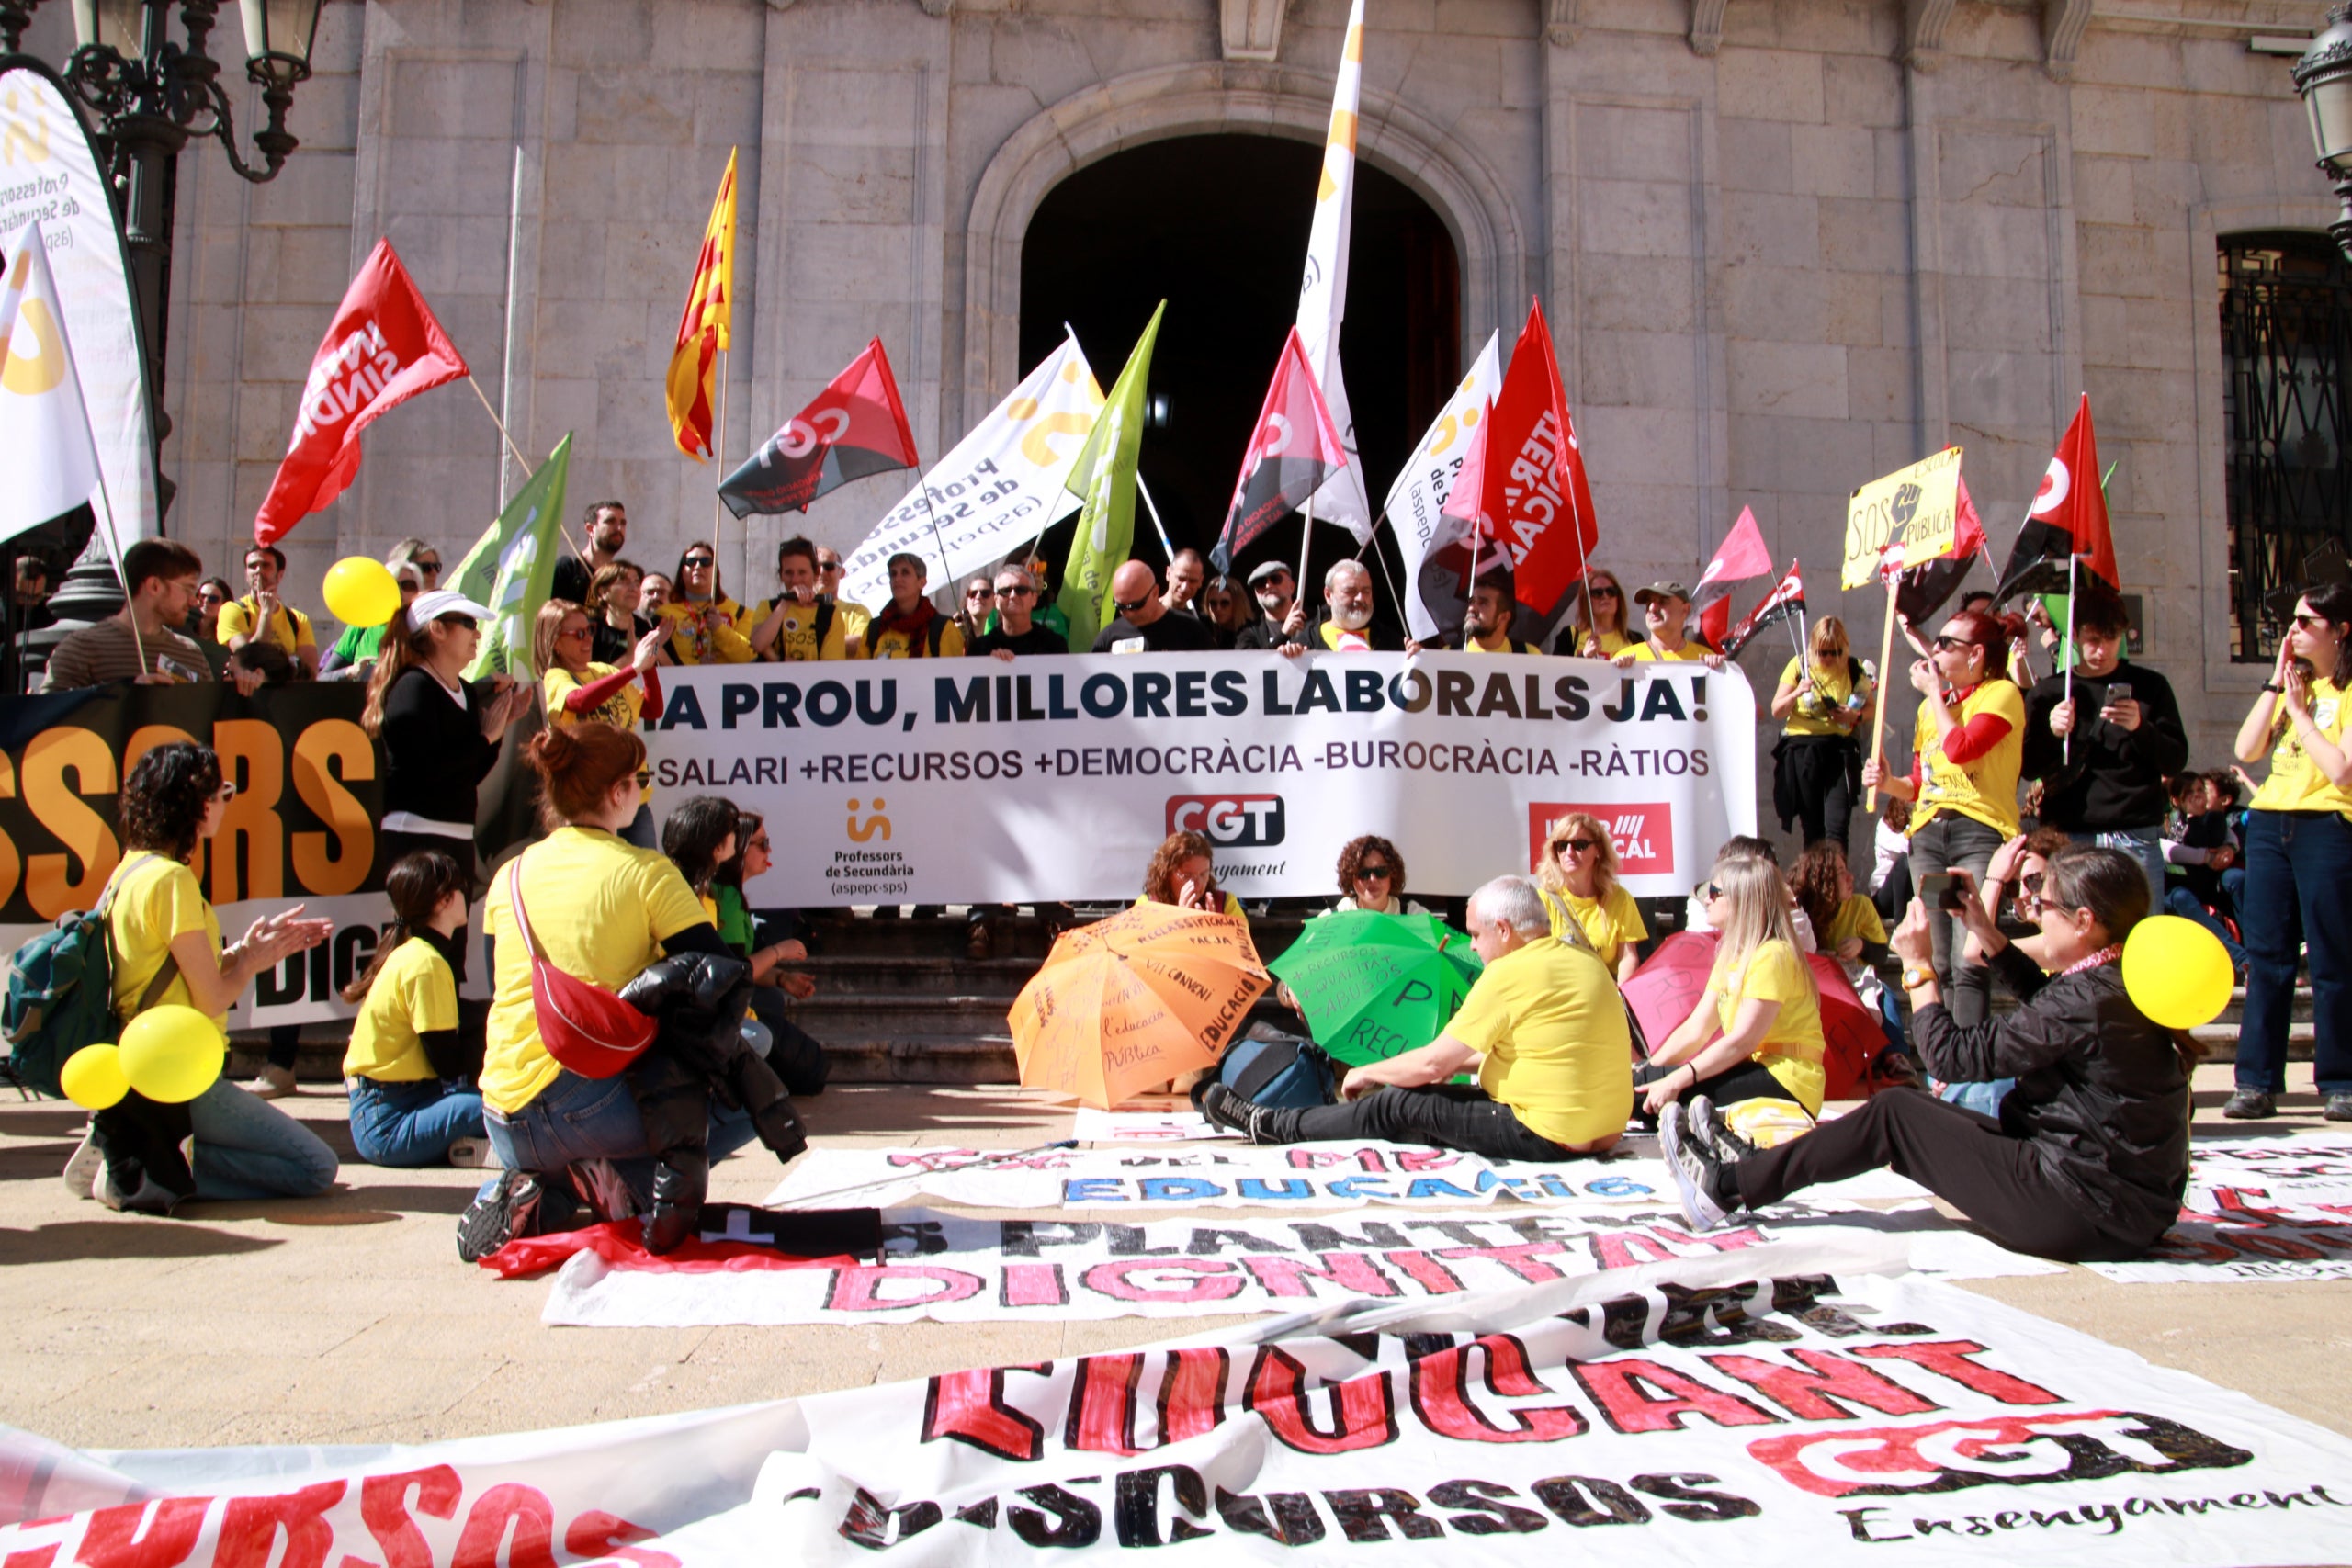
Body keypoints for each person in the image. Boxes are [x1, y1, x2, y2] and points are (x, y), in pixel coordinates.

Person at [1662, 847, 2195, 1264]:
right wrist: (1985, 931)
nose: (2030, 911)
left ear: (2083, 921)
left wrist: (1917, 968)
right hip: (2125, 1205)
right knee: (1927, 1115)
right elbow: (2046, 997)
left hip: (2084, 1209)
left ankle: (1727, 1188)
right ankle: (1759, 1167)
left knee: (1898, 1113)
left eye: (2042, 902)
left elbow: (1947, 1058)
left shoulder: (2084, 1000)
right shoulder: (2118, 979)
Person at [460, 723, 773, 1258]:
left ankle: (544, 1186)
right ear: (617, 792)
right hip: (589, 1103)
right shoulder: (646, 871)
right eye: (641, 780)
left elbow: (500, 991)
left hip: (502, 1111)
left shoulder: (508, 874)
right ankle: (625, 1180)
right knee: (758, 1049)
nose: (645, 792)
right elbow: (726, 980)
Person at [65, 742, 337, 1211]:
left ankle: (127, 1142)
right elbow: (210, 998)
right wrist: (250, 963)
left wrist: (243, 952)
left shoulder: (129, 869)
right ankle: (136, 1164)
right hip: (179, 1075)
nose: (228, 802)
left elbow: (160, 969)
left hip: (149, 1068)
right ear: (197, 803)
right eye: (224, 792)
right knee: (316, 1167)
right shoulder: (172, 881)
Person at [1201, 875, 1632, 1158]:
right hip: (1602, 1128)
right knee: (1422, 1108)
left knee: (1395, 1104)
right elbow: (1526, 1054)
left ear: (1504, 930)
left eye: (1478, 936)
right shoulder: (1583, 961)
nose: (1475, 948)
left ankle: (1272, 1124)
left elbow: (1433, 1064)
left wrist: (1368, 1072)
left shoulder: (1509, 971)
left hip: (1548, 1133)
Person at [1860, 607, 2024, 1027]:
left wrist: (1934, 693)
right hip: (1929, 834)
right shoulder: (1929, 711)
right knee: (1941, 955)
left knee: (1970, 953)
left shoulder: (2001, 694)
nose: (1936, 650)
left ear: (1976, 655)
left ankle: (1970, 1066)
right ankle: (1951, 1061)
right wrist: (1886, 780)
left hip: (1978, 832)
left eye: (1947, 643)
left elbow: (1962, 749)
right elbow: (1920, 783)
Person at [2226, 583, 2352, 1121]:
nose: (2293, 630)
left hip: (2327, 825)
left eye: (2305, 622)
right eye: (2293, 621)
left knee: (2332, 957)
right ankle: (2256, 1081)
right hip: (2271, 825)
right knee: (2268, 958)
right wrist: (2278, 684)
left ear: (2341, 630)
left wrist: (2301, 713)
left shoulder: (2345, 692)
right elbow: (2246, 748)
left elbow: (2343, 770)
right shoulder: (2290, 684)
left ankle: (2341, 1080)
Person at [2021, 584, 2187, 897]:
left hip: (2133, 832)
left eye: (2110, 639)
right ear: (2075, 635)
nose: (2101, 651)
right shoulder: (2051, 692)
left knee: (2137, 934)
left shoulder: (2150, 687)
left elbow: (2175, 759)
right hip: (2069, 831)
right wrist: (2052, 732)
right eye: (2093, 640)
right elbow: (2028, 767)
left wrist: (2140, 727)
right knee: (2074, 930)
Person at [1639, 853, 1828, 1122]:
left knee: (1651, 1102)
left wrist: (1675, 1079)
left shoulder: (1773, 955)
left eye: (1716, 892)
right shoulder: (1733, 954)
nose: (1707, 899)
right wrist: (1649, 1068)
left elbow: (1742, 1040)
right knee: (1638, 1087)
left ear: (1744, 899)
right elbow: (1696, 1029)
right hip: (1758, 1067)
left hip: (1789, 1081)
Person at [364, 589, 535, 885]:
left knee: (453, 931)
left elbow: (469, 773)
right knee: (421, 932)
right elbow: (428, 770)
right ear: (437, 629)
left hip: (458, 836)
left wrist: (498, 731)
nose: (478, 635)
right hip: (416, 837)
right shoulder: (412, 687)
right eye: (469, 623)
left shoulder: (465, 691)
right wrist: (485, 738)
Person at [340, 850, 490, 1168]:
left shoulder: (411, 954)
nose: (466, 895)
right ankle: (494, 1149)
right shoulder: (425, 963)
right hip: (388, 1121)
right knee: (504, 1104)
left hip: (392, 1106)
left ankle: (471, 1147)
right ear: (442, 901)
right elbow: (448, 1065)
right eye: (460, 888)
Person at [710, 810, 827, 1096]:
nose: (769, 851)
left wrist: (781, 977)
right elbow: (735, 972)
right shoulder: (725, 898)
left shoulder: (731, 894)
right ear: (737, 849)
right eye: (761, 843)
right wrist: (779, 951)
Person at [537, 600, 668, 846]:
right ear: (555, 643)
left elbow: (652, 709)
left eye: (590, 631)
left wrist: (647, 665)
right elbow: (578, 701)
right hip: (591, 804)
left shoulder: (602, 671)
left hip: (632, 800)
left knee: (641, 876)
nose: (588, 639)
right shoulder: (556, 677)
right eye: (578, 634)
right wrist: (633, 669)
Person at [42, 539, 243, 692]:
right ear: (154, 586)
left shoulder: (191, 655)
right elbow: (49, 719)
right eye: (188, 589)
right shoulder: (80, 649)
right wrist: (123, 692)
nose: (194, 601)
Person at [1770, 616, 1872, 855]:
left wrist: (1853, 716)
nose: (1827, 658)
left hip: (1838, 749)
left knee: (1837, 827)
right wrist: (1797, 692)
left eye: (1834, 653)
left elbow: (1872, 710)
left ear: (1844, 648)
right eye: (1822, 652)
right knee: (1813, 829)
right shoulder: (1799, 665)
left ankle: (1836, 885)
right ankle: (1814, 887)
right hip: (1803, 749)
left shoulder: (1854, 668)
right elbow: (1776, 710)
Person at [1532, 811, 1647, 983]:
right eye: (1562, 846)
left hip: (1604, 996)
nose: (1569, 852)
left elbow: (1628, 958)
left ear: (1598, 850)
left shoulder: (1620, 899)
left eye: (1579, 845)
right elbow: (1535, 961)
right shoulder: (1542, 900)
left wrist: (1619, 998)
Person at [2161, 773, 2245, 976]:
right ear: (2176, 800)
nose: (2197, 795)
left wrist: (2229, 849)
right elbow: (2169, 850)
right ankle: (2241, 959)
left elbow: (2229, 839)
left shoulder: (2213, 819)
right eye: (2189, 792)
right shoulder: (2168, 822)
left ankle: (2257, 950)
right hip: (2178, 888)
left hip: (2208, 884)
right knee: (2182, 898)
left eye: (2200, 790)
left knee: (2236, 879)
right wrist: (2205, 856)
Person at [218, 543, 319, 677]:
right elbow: (250, 659)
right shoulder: (233, 610)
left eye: (265, 565)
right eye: (252, 566)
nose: (258, 571)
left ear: (280, 575)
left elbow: (310, 670)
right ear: (246, 574)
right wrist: (266, 613)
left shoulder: (297, 619)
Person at [747, 538, 852, 661]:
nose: (795, 580)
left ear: (816, 573)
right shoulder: (768, 607)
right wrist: (785, 604)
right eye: (788, 573)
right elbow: (758, 644)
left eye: (802, 572)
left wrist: (776, 658)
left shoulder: (831, 614)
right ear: (781, 575)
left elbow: (831, 668)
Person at [320, 557, 423, 679]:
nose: (398, 591)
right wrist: (351, 671)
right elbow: (323, 677)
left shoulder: (426, 627)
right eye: (391, 584)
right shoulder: (363, 622)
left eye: (408, 585)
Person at [1295, 559, 1419, 654]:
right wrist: (1288, 657)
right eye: (1350, 591)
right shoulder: (1305, 642)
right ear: (1328, 595)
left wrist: (1421, 660)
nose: (1360, 598)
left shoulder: (1393, 642)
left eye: (1366, 591)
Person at [660, 544, 754, 665]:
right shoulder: (664, 614)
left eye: (706, 561)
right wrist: (696, 664)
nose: (698, 566)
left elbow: (750, 657)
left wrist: (720, 630)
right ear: (682, 572)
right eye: (691, 561)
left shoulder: (741, 613)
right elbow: (657, 655)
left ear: (716, 572)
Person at [864, 552, 966, 658]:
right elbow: (860, 672)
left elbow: (951, 672)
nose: (897, 579)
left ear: (922, 582)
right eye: (893, 574)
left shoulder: (944, 629)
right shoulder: (874, 629)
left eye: (905, 573)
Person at [1093, 561, 1210, 652]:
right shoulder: (1109, 636)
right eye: (1120, 605)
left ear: (1155, 593)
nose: (1127, 612)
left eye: (1135, 606)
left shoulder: (1192, 632)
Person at [1140, 829, 1248, 922]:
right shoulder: (1148, 904)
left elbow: (1242, 944)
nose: (1197, 883)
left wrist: (1214, 930)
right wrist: (1179, 921)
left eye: (1203, 874)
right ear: (1167, 874)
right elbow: (1141, 944)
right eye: (1187, 876)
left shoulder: (1226, 903)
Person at [1615, 582, 1723, 667]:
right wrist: (1618, 673)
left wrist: (1719, 671)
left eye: (1662, 601)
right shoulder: (1627, 658)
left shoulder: (1704, 659)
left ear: (1685, 609)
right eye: (1648, 603)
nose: (1652, 608)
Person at [1327, 835, 1433, 917]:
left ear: (1392, 875)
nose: (1373, 879)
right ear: (1351, 878)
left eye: (1381, 871)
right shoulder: (1330, 920)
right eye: (1364, 873)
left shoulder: (1414, 916)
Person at [975, 564, 1067, 658]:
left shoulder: (1055, 645)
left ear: (1034, 599)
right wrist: (989, 665)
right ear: (996, 601)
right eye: (1005, 590)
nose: (1013, 595)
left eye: (1021, 590)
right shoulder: (979, 649)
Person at [551, 499, 629, 607]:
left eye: (623, 523)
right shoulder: (568, 570)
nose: (619, 528)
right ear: (590, 529)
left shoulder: (622, 577)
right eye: (610, 521)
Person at [586, 560, 660, 667]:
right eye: (625, 582)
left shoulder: (643, 628)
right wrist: (629, 658)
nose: (633, 589)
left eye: (637, 583)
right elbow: (587, 681)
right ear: (604, 592)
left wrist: (658, 643)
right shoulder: (588, 629)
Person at [1563, 568, 1642, 658]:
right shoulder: (1569, 635)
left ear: (1618, 598)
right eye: (1597, 593)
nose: (1605, 596)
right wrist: (1584, 655)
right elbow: (1558, 670)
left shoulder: (1635, 639)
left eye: (1611, 591)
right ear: (1586, 600)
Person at [1459, 571, 1541, 654]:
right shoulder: (1447, 654)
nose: (1471, 608)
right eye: (1471, 601)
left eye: (1483, 603)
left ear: (1504, 617)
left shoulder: (1529, 655)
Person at [1235, 560, 1309, 649]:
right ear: (1256, 594)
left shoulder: (1315, 622)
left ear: (1291, 587)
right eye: (1260, 583)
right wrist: (1284, 635)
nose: (1268, 585)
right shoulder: (1247, 633)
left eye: (1275, 579)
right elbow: (1251, 662)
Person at [815, 545, 876, 651]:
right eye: (815, 567)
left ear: (842, 573)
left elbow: (859, 643)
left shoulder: (857, 612)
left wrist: (809, 646)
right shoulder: (793, 610)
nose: (821, 572)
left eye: (829, 566)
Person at [1198, 573, 1250, 649]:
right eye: (1213, 603)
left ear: (1237, 604)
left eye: (1224, 603)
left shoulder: (1252, 632)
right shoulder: (1203, 629)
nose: (1218, 608)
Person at [1162, 548, 1206, 618]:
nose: (1184, 587)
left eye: (1192, 581)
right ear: (1168, 573)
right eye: (1181, 579)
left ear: (1200, 581)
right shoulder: (1146, 610)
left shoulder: (1195, 623)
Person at [955, 575, 997, 647]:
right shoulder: (956, 631)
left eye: (985, 593)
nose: (978, 597)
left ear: (995, 601)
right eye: (972, 593)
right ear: (967, 602)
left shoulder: (1001, 634)